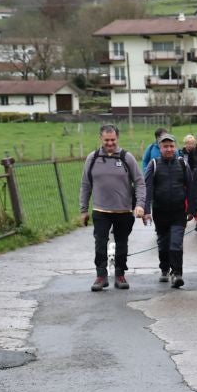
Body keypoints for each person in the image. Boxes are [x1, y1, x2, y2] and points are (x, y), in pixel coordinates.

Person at [79, 124, 145, 292]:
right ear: (100, 139)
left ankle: (120, 274)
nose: (110, 143)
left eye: (113, 140)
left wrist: (140, 204)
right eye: (106, 140)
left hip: (123, 210)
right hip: (101, 210)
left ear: (117, 138)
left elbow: (139, 182)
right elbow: (85, 185)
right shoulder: (92, 158)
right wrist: (83, 210)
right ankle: (101, 276)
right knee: (100, 243)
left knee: (122, 243)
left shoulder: (126, 158)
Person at [143, 133, 197, 288]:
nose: (168, 149)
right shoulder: (153, 164)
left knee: (176, 244)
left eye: (171, 146)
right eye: (165, 146)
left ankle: (177, 273)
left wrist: (192, 209)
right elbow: (148, 189)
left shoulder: (182, 164)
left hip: (178, 212)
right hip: (160, 212)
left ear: (175, 147)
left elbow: (191, 187)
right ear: (160, 148)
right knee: (163, 244)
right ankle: (164, 268)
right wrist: (146, 210)